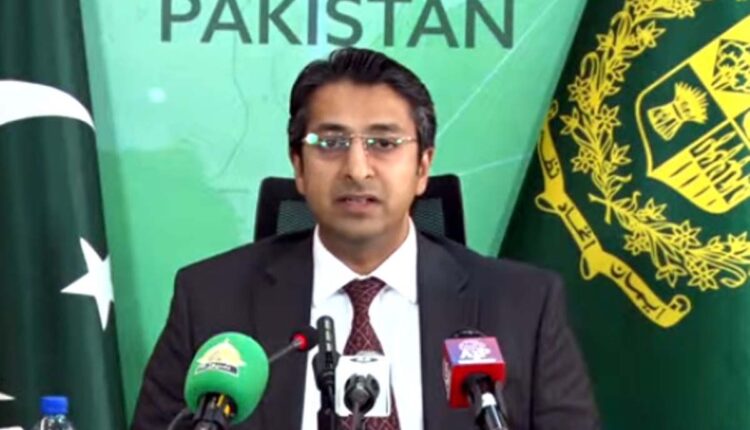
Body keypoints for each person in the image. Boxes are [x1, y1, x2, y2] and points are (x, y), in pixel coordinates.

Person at [132, 47, 599, 430]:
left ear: (422, 166)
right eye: (331, 143)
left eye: (384, 143)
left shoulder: (523, 306)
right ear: (298, 166)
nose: (357, 169)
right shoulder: (211, 301)